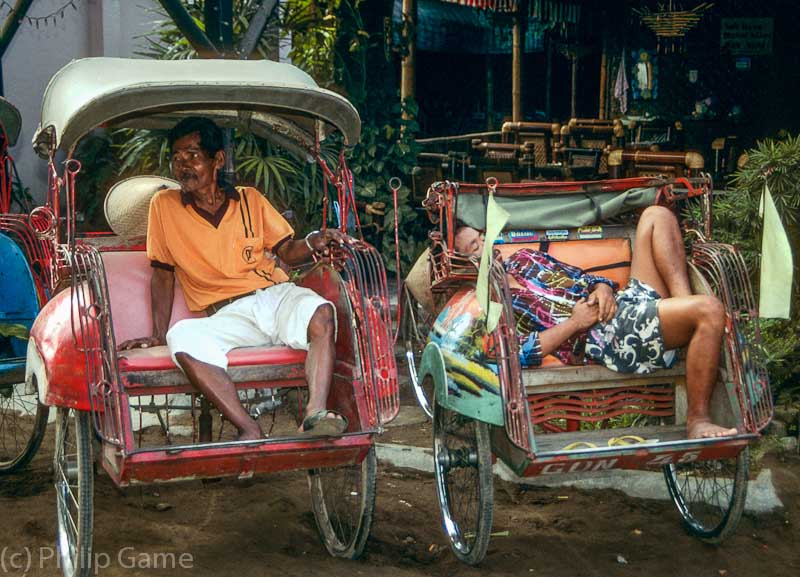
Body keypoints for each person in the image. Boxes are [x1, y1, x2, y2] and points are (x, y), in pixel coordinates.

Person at [119, 117, 348, 440]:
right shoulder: (164, 206)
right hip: (226, 315)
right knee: (181, 337)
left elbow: (289, 251)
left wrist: (313, 242)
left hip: (275, 296)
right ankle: (248, 428)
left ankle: (314, 414)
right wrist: (158, 333)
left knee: (322, 311)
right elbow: (162, 273)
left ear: (218, 160)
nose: (183, 166)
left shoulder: (250, 199)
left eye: (193, 155)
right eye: (176, 157)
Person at [453, 206, 737, 440]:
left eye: (482, 235)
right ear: (467, 263)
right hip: (608, 338)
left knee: (656, 215)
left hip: (623, 305)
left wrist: (602, 289)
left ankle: (684, 317)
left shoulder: (525, 258)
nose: (486, 243)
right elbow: (520, 353)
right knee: (710, 309)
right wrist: (576, 323)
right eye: (475, 246)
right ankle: (698, 419)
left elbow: (586, 278)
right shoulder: (491, 305)